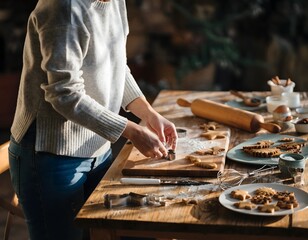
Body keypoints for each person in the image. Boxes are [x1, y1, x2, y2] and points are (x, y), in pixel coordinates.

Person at [8, 0, 178, 239]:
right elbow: (65, 94)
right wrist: (131, 130)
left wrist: (148, 113)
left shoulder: (114, 2)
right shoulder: (62, 8)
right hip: (50, 154)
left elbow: (117, 66)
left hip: (97, 147)